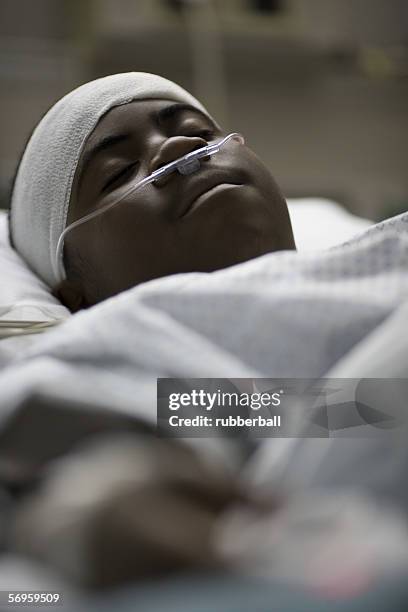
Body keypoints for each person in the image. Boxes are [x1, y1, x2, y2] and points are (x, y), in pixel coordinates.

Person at [9, 72, 296, 311]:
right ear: (78, 300)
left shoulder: (342, 275)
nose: (180, 146)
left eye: (200, 131)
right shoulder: (74, 376)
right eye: (119, 172)